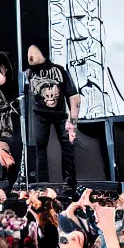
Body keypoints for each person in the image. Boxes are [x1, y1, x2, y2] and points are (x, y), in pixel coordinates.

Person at [26, 45, 80, 189]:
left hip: (60, 115)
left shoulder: (59, 70)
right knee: (39, 148)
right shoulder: (29, 73)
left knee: (67, 146)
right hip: (39, 114)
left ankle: (70, 183)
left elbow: (74, 97)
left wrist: (73, 122)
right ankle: (42, 185)